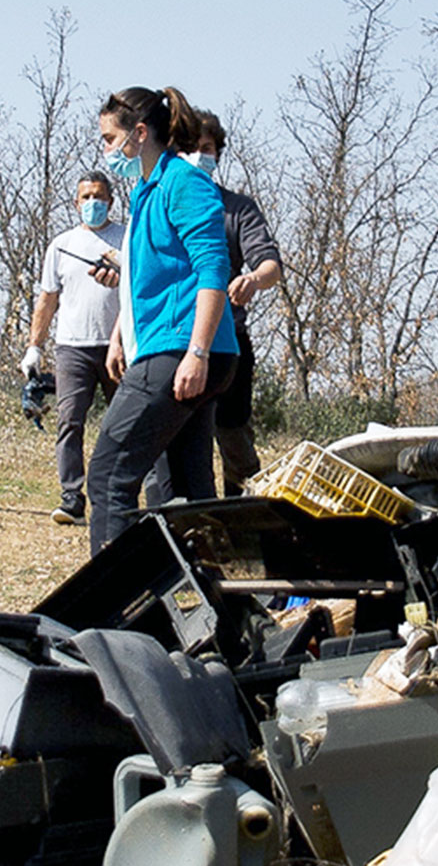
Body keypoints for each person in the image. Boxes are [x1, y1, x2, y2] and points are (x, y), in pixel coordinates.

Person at [87, 86, 237, 553]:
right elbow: (150, 279)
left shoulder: (183, 182)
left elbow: (213, 270)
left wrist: (196, 353)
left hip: (182, 352)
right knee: (187, 494)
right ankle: (229, 608)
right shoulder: (148, 191)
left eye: (110, 140)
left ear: (140, 132)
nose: (107, 151)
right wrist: (118, 339)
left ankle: (107, 608)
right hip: (167, 349)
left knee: (109, 474)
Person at [186, 110, 283, 496]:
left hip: (228, 344)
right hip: (173, 342)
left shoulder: (237, 209)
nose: (198, 156)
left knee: (236, 443)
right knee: (176, 447)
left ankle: (246, 524)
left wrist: (255, 279)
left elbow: (271, 264)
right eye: (190, 148)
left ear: (218, 153)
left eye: (206, 148)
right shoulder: (161, 203)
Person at [22, 172, 125, 525]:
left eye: (99, 196)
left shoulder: (127, 239)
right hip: (72, 348)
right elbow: (48, 298)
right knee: (69, 422)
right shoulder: (61, 245)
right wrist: (34, 346)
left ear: (111, 201)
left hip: (119, 347)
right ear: (76, 202)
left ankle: (123, 498)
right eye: (86, 197)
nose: (92, 203)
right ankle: (71, 498)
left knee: (127, 424)